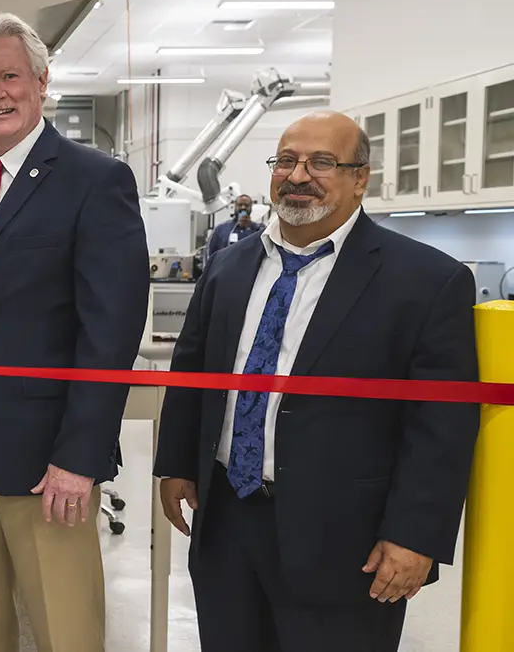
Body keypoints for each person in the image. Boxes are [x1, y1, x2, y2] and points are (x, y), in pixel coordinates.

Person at [153, 111, 480, 652]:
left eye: (322, 162)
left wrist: (414, 535)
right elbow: (194, 369)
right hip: (228, 523)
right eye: (286, 160)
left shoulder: (427, 282)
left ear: (360, 178)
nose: (299, 175)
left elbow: (441, 424)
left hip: (346, 538)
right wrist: (177, 464)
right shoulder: (229, 267)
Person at [0, 12, 150, 652]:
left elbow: (112, 328)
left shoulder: (95, 180)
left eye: (10, 76)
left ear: (42, 82)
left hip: (51, 461)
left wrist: (80, 455)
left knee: (65, 627)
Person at [205, 193, 265, 260]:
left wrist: (251, 227)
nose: (243, 207)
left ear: (251, 207)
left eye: (246, 205)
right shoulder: (220, 229)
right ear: (234, 206)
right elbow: (209, 254)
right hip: (226, 269)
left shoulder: (259, 230)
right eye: (240, 205)